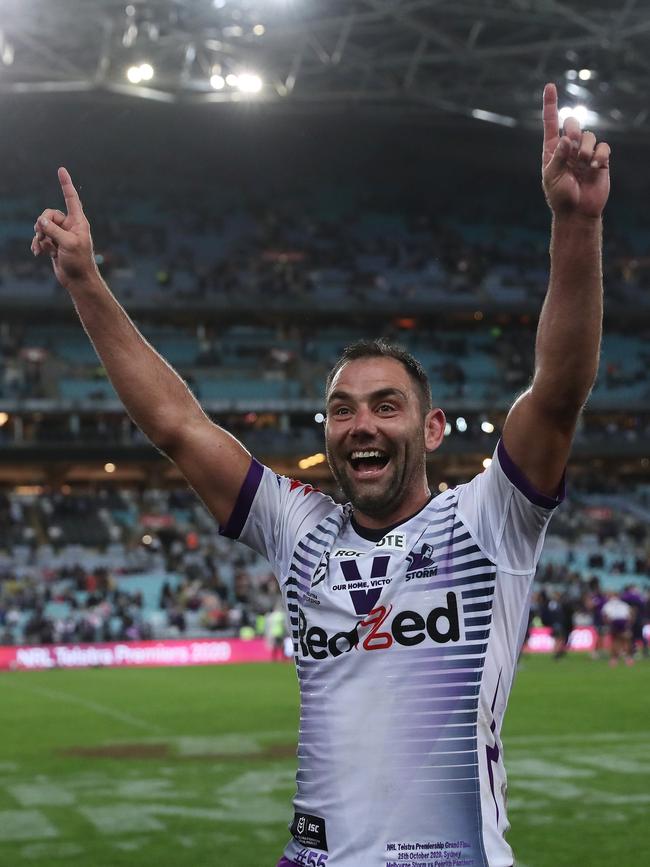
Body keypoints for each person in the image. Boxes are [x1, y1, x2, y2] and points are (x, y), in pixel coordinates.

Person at [32, 82, 610, 867]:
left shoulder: (488, 522)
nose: (361, 424)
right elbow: (178, 426)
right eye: (341, 410)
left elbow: (561, 390)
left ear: (432, 428)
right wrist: (87, 285)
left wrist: (575, 224)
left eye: (385, 406)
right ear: (327, 433)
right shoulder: (298, 526)